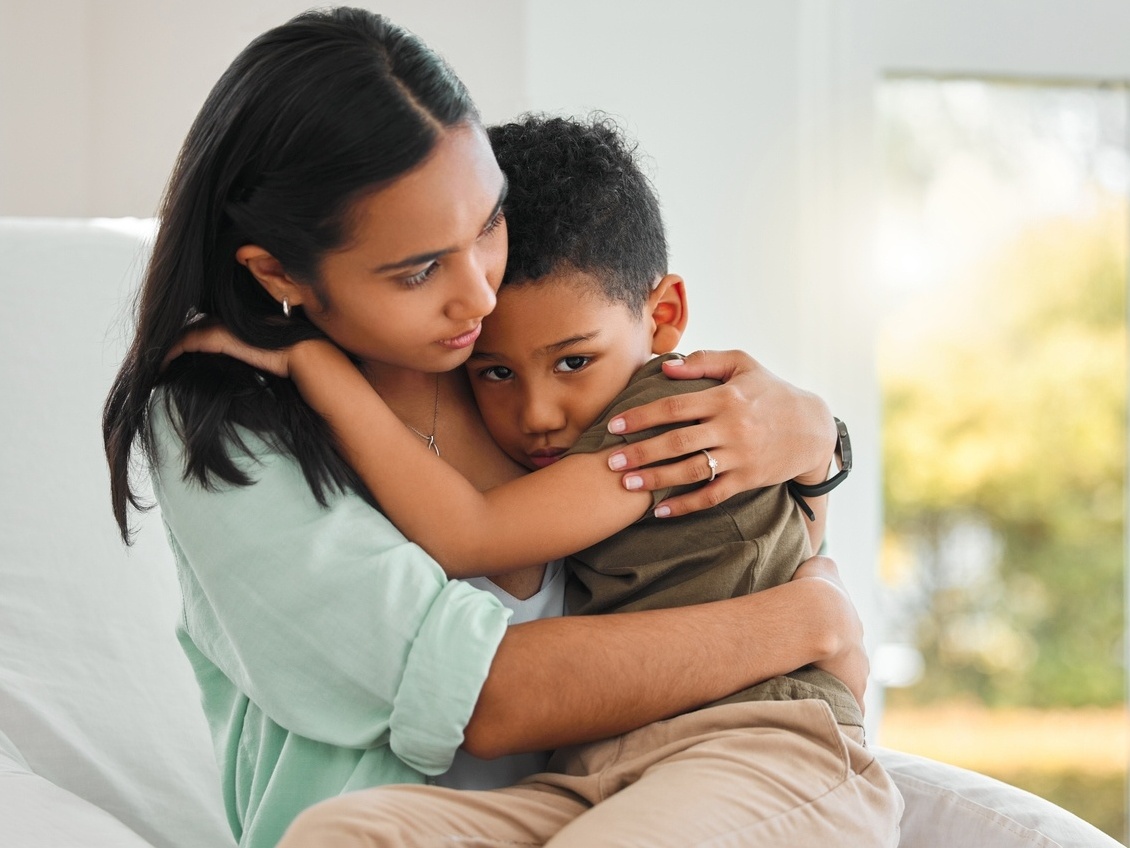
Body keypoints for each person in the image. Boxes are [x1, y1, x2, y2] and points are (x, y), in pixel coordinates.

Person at [104, 8, 865, 848]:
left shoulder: (520, 356)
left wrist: (816, 436)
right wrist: (807, 622)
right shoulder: (224, 421)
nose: (478, 294)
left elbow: (743, 529)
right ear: (281, 272)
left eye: (489, 223)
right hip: (543, 800)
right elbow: (484, 695)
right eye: (421, 269)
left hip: (678, 771)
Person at [241, 115, 901, 846]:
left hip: (764, 745)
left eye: (573, 362)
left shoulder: (664, 421)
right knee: (345, 834)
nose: (538, 413)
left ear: (665, 316)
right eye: (495, 372)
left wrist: (316, 369)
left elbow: (472, 535)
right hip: (597, 770)